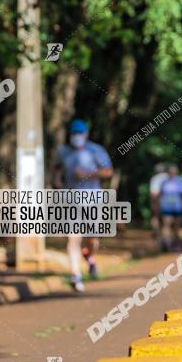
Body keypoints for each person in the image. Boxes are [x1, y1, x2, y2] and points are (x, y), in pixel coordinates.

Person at [53, 119, 113, 292]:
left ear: (86, 134)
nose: (76, 137)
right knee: (73, 238)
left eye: (79, 134)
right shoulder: (63, 151)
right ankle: (75, 275)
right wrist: (57, 182)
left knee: (92, 239)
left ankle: (89, 255)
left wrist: (87, 174)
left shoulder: (96, 150)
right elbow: (57, 169)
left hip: (92, 200)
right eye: (73, 134)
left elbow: (108, 171)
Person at [158, 164, 182, 252]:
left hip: (176, 207)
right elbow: (161, 194)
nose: (172, 174)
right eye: (170, 172)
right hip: (167, 207)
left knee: (175, 226)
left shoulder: (179, 181)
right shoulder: (165, 182)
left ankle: (173, 243)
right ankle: (166, 242)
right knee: (167, 224)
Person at [149, 163, 168, 238]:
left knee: (155, 216)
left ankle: (155, 230)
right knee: (166, 217)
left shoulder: (155, 178)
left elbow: (153, 192)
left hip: (157, 199)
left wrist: (155, 201)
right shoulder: (168, 176)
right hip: (168, 200)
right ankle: (165, 234)